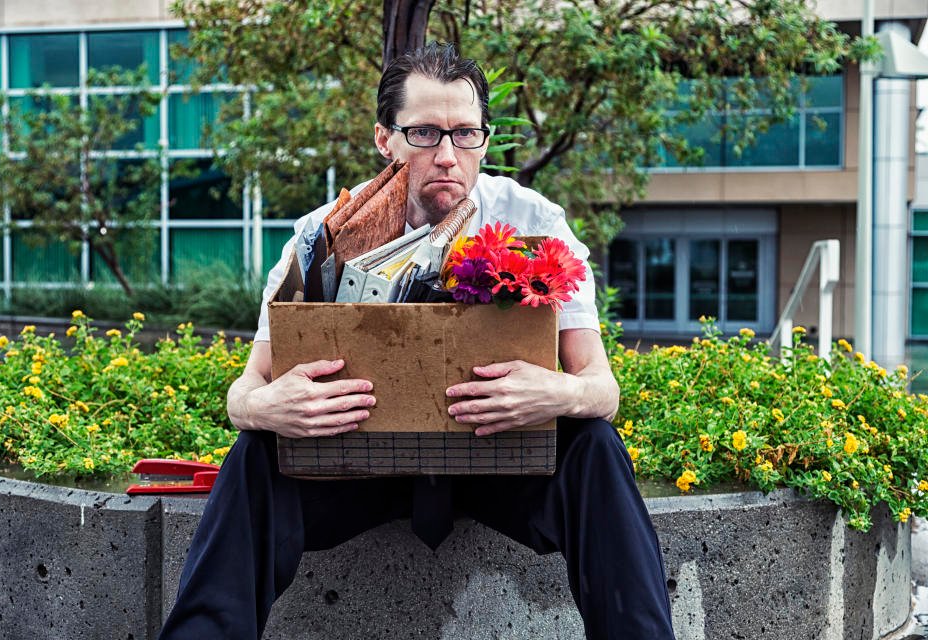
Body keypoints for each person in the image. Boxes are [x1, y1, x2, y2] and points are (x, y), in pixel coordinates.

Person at [159, 42, 676, 640]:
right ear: (387, 139)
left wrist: (555, 392)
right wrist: (261, 406)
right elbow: (246, 388)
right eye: (425, 133)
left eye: (465, 134)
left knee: (596, 446)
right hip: (361, 470)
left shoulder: (535, 221)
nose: (449, 156)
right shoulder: (321, 233)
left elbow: (601, 388)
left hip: (499, 469)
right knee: (256, 454)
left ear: (484, 138)